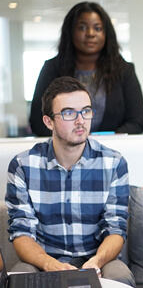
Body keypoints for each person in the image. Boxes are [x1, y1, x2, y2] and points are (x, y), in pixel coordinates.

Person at [6, 77, 135, 286]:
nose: (80, 120)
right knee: (19, 278)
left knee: (120, 276)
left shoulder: (114, 163)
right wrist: (51, 265)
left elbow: (116, 229)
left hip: (98, 259)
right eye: (68, 113)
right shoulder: (23, 165)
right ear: (49, 122)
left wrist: (96, 262)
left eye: (86, 111)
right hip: (44, 260)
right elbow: (21, 233)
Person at [29, 1, 143, 136]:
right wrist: (73, 140)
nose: (90, 34)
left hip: (112, 151)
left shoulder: (124, 70)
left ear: (106, 34)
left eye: (97, 28)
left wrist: (105, 142)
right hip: (65, 153)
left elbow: (137, 121)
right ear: (70, 32)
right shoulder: (52, 69)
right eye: (82, 28)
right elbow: (38, 122)